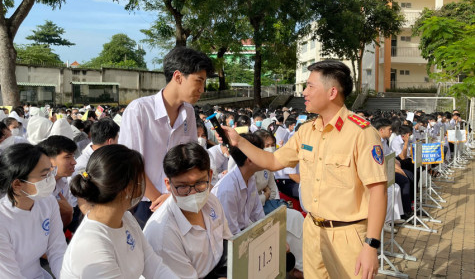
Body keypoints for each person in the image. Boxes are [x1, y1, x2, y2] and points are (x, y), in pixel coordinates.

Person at [218, 60, 387, 278]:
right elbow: (273, 162)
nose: (304, 92)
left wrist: (371, 245)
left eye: (310, 86)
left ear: (332, 92)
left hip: (348, 235)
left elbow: (378, 191)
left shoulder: (361, 133)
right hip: (313, 229)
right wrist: (238, 141)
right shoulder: (307, 131)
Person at [119, 47, 214, 225]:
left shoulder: (188, 113)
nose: (202, 89)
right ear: (178, 77)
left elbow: (190, 160)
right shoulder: (139, 110)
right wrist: (160, 200)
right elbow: (131, 167)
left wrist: (174, 199)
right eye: (198, 81)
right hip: (144, 204)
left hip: (179, 201)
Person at [61, 145, 178, 278]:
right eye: (141, 178)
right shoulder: (91, 245)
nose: (143, 185)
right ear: (128, 188)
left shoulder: (125, 217)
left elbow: (153, 265)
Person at [144, 142, 232, 278]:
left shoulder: (211, 201)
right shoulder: (163, 235)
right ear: (168, 184)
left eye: (200, 183)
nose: (193, 194)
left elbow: (226, 240)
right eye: (183, 187)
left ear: (210, 175)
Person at [0, 144, 67, 278]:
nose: (51, 179)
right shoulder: (3, 221)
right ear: (17, 184)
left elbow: (57, 250)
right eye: (44, 175)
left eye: (51, 171)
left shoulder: (48, 202)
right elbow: (11, 275)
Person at [37, 136, 78, 227]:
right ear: (48, 160)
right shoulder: (35, 187)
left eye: (73, 156)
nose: (74, 162)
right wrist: (67, 212)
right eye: (67, 157)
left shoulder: (63, 181)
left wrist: (68, 213)